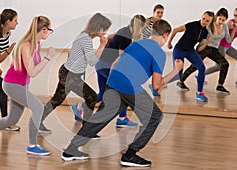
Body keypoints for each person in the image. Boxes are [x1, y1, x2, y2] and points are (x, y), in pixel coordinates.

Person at [61, 19, 184, 167]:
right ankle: (130, 154)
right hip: (128, 85)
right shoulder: (159, 52)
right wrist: (176, 71)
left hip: (113, 80)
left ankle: (70, 150)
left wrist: (112, 84)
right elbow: (156, 85)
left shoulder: (137, 43)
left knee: (101, 117)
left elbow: (115, 63)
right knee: (155, 116)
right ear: (165, 35)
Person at [0, 16, 56, 156]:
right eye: (49, 30)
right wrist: (48, 57)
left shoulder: (36, 43)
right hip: (12, 84)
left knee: (12, 119)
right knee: (38, 107)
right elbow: (32, 72)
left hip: (22, 85)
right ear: (44, 29)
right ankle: (32, 145)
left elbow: (30, 71)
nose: (49, 32)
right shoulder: (26, 46)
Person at [38, 13, 112, 134]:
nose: (105, 32)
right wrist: (103, 45)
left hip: (66, 72)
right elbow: (92, 62)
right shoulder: (86, 39)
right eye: (105, 29)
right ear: (99, 27)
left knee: (57, 99)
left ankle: (38, 122)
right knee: (92, 97)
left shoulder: (83, 35)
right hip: (70, 75)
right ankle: (86, 130)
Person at [71, 14, 146, 128]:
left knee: (102, 93)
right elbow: (121, 57)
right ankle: (122, 118)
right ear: (139, 27)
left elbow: (112, 36)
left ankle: (79, 107)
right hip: (107, 65)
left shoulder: (124, 30)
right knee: (123, 90)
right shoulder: (126, 36)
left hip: (100, 64)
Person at [178, 8, 236, 94]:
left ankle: (220, 85)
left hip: (214, 50)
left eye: (223, 20)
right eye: (220, 19)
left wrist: (234, 29)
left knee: (225, 64)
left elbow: (229, 40)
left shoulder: (225, 27)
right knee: (194, 66)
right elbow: (201, 34)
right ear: (216, 17)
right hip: (205, 47)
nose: (221, 21)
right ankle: (181, 81)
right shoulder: (209, 25)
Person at [166, 11, 214, 102]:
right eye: (203, 19)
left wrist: (206, 42)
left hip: (190, 51)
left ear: (210, 22)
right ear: (201, 16)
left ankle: (199, 93)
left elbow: (199, 49)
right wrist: (169, 42)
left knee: (202, 68)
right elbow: (175, 29)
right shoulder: (192, 25)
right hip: (179, 49)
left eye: (207, 21)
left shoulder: (205, 32)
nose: (204, 21)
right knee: (177, 75)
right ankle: (156, 84)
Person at [205, 7, 237, 88]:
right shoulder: (230, 23)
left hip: (228, 46)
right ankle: (201, 74)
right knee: (219, 66)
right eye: (235, 15)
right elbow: (220, 29)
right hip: (221, 46)